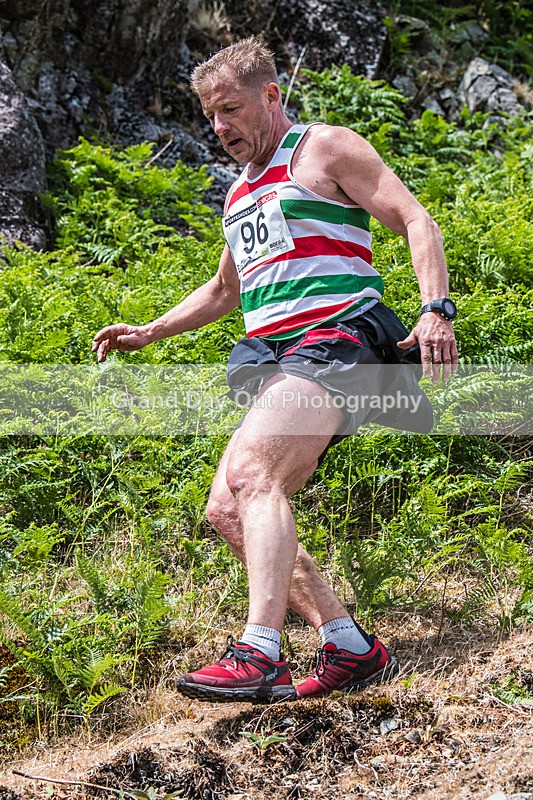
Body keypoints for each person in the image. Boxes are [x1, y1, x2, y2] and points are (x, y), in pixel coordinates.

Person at [92, 36, 458, 703]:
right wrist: (151, 331)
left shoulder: (322, 148)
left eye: (231, 109)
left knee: (253, 475)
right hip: (276, 355)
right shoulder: (237, 194)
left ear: (270, 96)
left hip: (336, 339)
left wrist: (435, 308)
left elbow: (413, 218)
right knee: (227, 507)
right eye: (211, 118)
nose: (222, 128)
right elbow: (224, 292)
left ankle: (258, 651)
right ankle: (347, 644)